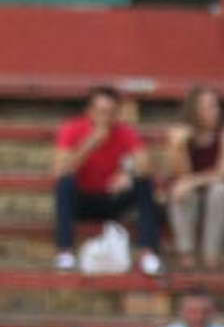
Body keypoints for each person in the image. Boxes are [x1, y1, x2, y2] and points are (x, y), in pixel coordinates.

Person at [50, 86, 161, 276]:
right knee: (64, 184)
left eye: (111, 112)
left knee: (144, 183)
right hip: (82, 200)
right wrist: (90, 143)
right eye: (101, 111)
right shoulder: (71, 129)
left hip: (112, 198)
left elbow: (146, 165)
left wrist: (130, 173)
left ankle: (147, 253)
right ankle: (65, 253)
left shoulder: (124, 132)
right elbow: (59, 170)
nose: (106, 117)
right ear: (89, 111)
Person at [164, 87, 224, 271]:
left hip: (222, 200)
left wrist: (192, 182)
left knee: (219, 190)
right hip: (193, 199)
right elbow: (182, 174)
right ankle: (186, 252)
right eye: (207, 107)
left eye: (215, 106)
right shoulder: (180, 133)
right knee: (182, 191)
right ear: (194, 111)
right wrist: (179, 148)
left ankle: (211, 254)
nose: (214, 111)